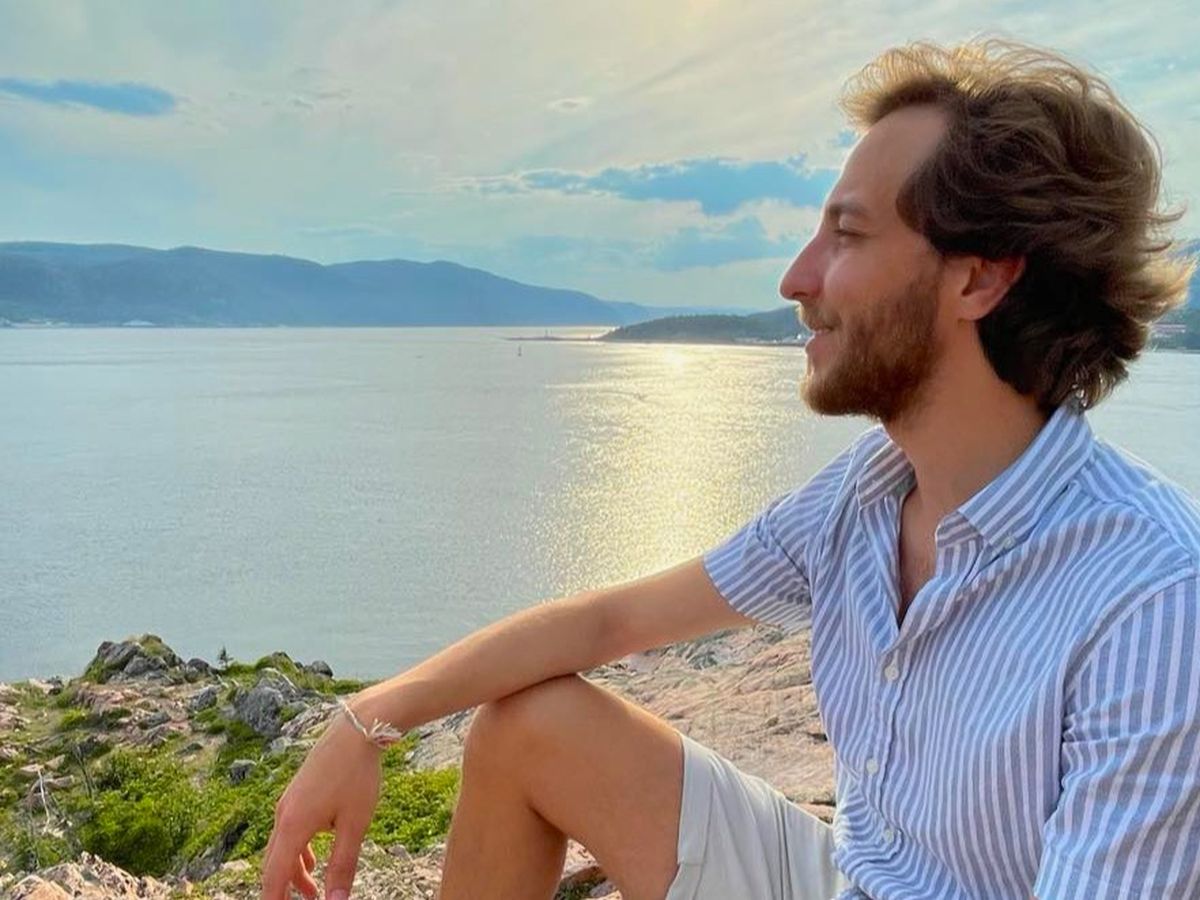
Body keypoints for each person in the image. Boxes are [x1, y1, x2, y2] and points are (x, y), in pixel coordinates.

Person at [260, 36, 1199, 900]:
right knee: (527, 727)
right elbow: (614, 621)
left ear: (981, 277)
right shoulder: (864, 495)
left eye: (848, 235)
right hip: (848, 878)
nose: (795, 279)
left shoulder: (1151, 597)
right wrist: (368, 719)